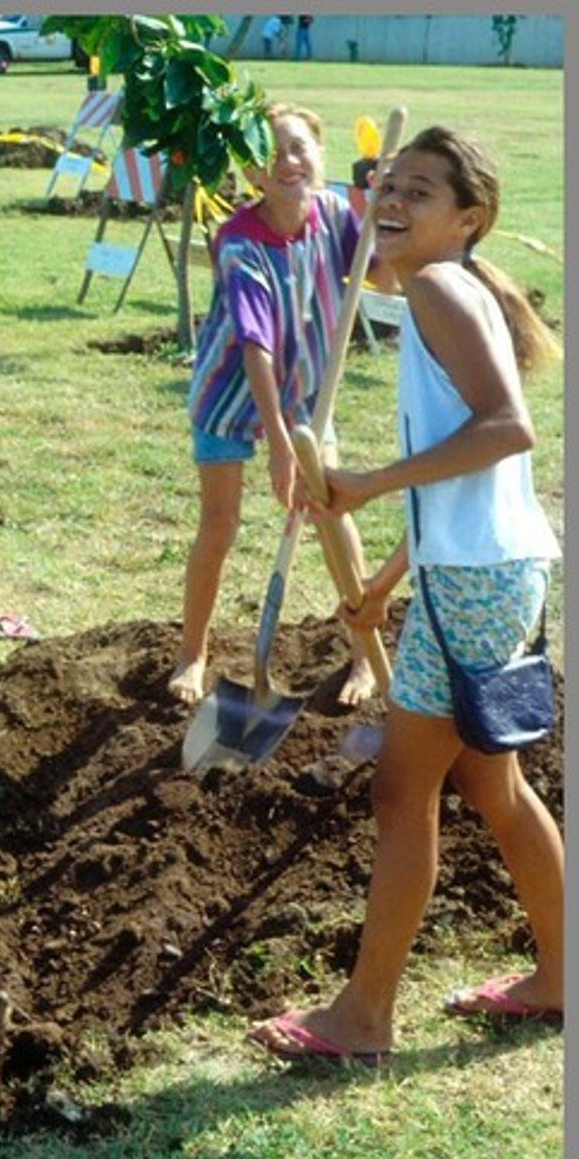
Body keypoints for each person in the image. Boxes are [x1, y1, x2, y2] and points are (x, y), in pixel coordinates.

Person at [249, 127, 563, 1064]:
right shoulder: (449, 288)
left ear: (467, 219)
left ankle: (363, 1019)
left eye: (418, 191)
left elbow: (506, 432)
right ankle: (562, 973)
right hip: (485, 572)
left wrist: (366, 483)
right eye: (386, 183)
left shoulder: (436, 287)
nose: (391, 199)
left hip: (476, 582)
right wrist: (387, 581)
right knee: (490, 783)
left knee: (400, 790)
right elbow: (465, 481)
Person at [169, 102, 394, 708]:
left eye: (298, 147)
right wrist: (279, 450)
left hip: (307, 396)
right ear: (254, 177)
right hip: (231, 392)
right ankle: (193, 653)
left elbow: (387, 277)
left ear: (320, 155)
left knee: (330, 514)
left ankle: (363, 657)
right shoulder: (240, 239)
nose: (288, 161)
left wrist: (385, 215)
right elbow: (256, 345)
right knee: (219, 525)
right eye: (270, 154)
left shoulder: (335, 216)